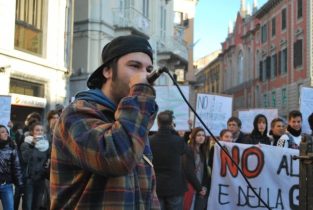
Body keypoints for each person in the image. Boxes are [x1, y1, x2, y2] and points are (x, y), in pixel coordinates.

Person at [50, 35, 160, 209]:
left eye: (148, 69)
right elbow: (118, 158)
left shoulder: (133, 120)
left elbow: (148, 189)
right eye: (134, 66)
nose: (144, 75)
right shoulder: (76, 114)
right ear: (108, 71)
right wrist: (140, 94)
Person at [150, 110, 187, 210]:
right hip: (175, 187)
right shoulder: (178, 140)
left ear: (157, 123)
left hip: (156, 187)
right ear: (171, 123)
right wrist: (173, 130)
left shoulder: (150, 140)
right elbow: (184, 150)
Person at [20, 122, 50, 210]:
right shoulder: (25, 144)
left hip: (41, 179)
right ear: (32, 132)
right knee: (28, 206)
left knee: (37, 205)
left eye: (41, 130)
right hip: (29, 179)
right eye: (37, 130)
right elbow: (26, 159)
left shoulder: (46, 145)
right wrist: (33, 144)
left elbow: (48, 159)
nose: (40, 132)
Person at [182, 127, 210, 210]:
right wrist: (200, 188)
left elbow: (204, 171)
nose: (201, 137)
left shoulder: (202, 151)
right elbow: (189, 172)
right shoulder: (189, 150)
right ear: (193, 137)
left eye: (203, 135)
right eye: (198, 135)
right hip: (192, 186)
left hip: (199, 186)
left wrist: (204, 186)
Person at [0, 125, 24, 210]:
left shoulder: (12, 147)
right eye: (2, 132)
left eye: (6, 131)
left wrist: (20, 184)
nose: (6, 133)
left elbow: (16, 167)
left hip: (6, 185)